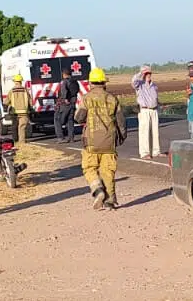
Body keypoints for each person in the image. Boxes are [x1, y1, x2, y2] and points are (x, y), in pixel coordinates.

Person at [75, 67, 126, 209]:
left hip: (91, 142)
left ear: (91, 83)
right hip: (109, 141)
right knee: (108, 171)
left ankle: (97, 189)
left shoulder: (86, 98)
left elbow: (79, 118)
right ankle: (109, 201)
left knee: (89, 168)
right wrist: (122, 137)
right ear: (104, 83)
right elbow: (121, 121)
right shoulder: (112, 99)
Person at [131, 65, 162, 159]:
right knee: (144, 132)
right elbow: (133, 81)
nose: (148, 75)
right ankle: (144, 153)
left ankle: (156, 151)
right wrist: (141, 73)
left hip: (154, 109)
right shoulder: (139, 85)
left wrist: (159, 104)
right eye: (146, 73)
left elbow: (155, 97)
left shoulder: (154, 85)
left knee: (155, 132)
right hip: (144, 110)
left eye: (149, 73)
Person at [54, 72, 80, 143]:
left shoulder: (64, 82)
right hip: (73, 103)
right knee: (70, 120)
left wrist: (65, 99)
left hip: (65, 104)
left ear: (64, 74)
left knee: (57, 119)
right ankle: (71, 138)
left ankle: (61, 138)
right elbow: (77, 91)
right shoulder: (75, 81)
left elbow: (63, 91)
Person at [8, 72, 32, 144]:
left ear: (15, 82)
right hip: (24, 112)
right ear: (21, 81)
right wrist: (31, 108)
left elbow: (6, 101)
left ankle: (15, 141)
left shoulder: (11, 91)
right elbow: (30, 100)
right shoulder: (25, 90)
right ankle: (22, 142)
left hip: (14, 112)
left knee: (14, 126)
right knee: (22, 127)